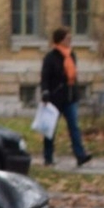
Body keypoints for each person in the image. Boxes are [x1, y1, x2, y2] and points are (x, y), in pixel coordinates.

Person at [38, 27, 89, 168]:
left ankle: (80, 155)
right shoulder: (51, 57)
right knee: (51, 129)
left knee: (74, 127)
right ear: (60, 40)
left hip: (70, 97)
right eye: (67, 39)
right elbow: (45, 77)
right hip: (55, 98)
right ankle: (48, 157)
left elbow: (73, 76)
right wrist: (45, 92)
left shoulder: (71, 55)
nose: (70, 41)